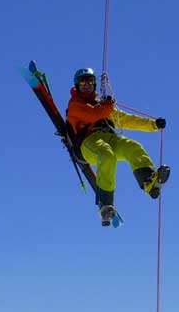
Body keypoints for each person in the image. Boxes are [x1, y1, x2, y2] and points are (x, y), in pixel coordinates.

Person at [66, 67, 169, 226]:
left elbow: (127, 120)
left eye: (90, 81)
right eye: (82, 81)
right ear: (76, 85)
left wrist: (153, 124)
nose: (86, 84)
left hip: (109, 137)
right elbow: (93, 115)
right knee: (106, 155)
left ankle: (149, 182)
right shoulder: (75, 104)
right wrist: (107, 106)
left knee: (132, 146)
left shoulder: (102, 106)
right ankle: (106, 204)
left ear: (94, 84)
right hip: (89, 142)